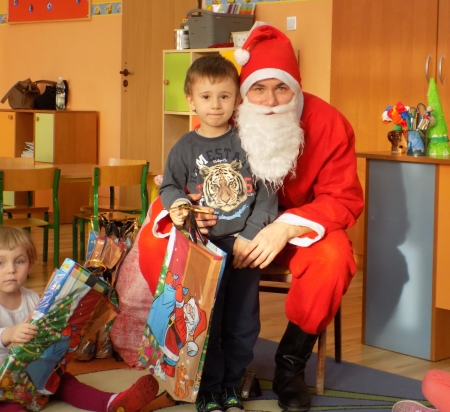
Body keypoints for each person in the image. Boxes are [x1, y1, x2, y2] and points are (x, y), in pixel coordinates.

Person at [138, 25, 363, 412]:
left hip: (298, 230)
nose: (271, 100)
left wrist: (284, 227)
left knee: (334, 257)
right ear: (242, 92)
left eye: (282, 88)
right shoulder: (224, 112)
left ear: (297, 88)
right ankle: (191, 347)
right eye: (259, 88)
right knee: (154, 240)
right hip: (226, 229)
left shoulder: (330, 124)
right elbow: (186, 179)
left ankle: (290, 366)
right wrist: (178, 211)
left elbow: (343, 197)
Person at [156, 55, 278, 412]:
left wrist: (250, 236)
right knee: (204, 321)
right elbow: (169, 187)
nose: (215, 104)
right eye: (206, 96)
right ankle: (209, 388)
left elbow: (268, 194)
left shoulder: (250, 143)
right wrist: (179, 205)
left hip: (243, 248)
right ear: (190, 100)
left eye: (224, 96)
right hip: (203, 250)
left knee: (243, 323)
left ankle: (232, 383)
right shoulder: (184, 147)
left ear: (237, 99)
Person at [0, 226, 158, 412]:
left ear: (30, 263)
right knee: (9, 407)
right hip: (2, 385)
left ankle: (110, 402)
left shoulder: (33, 298)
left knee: (64, 381)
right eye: (1, 263)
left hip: (33, 373)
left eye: (19, 261)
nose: (11, 270)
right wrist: (8, 335)